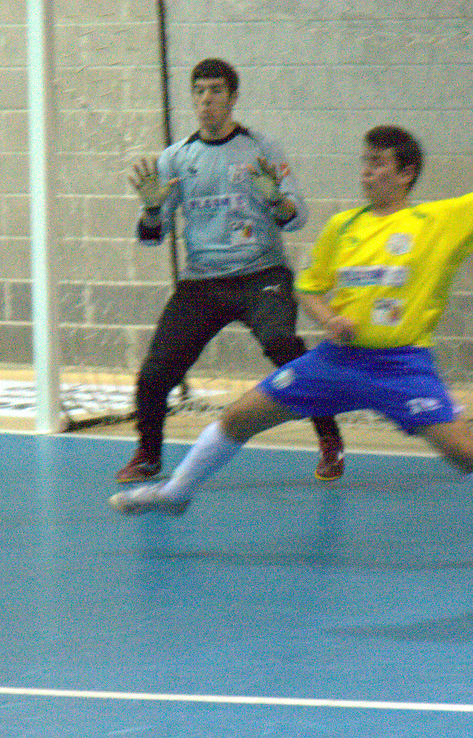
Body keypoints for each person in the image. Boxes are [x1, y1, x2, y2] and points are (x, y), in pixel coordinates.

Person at [111, 83, 473, 560]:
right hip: (337, 360)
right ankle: (177, 493)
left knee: (463, 451)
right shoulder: (344, 227)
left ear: (406, 173)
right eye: (365, 162)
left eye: (378, 164)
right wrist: (328, 318)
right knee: (239, 416)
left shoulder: (438, 222)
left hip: (402, 366)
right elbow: (309, 286)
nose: (367, 172)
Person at [120, 58, 344, 485]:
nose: (207, 99)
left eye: (217, 90)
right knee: (154, 373)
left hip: (261, 274)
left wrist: (276, 200)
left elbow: (297, 217)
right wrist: (151, 210)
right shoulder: (175, 159)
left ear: (233, 97)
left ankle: (329, 438)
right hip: (202, 282)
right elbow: (153, 236)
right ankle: (148, 454)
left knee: (283, 344)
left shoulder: (262, 150)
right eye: (199, 90)